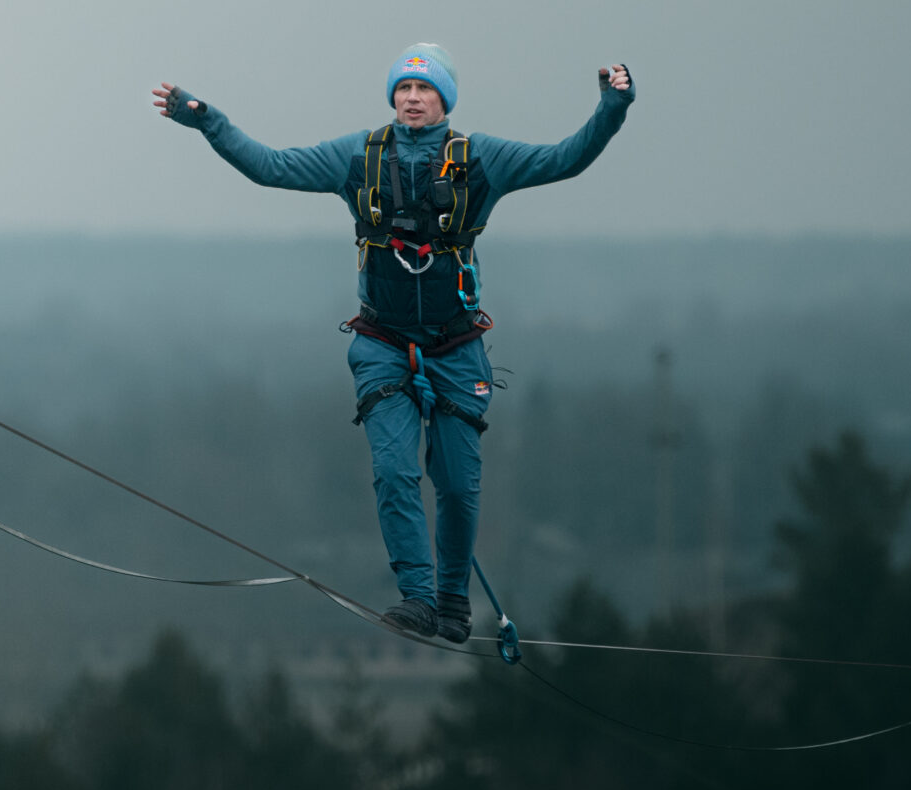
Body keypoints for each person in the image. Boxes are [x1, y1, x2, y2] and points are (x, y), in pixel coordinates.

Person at [152, 46, 634, 643]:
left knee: (457, 484)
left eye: (424, 89)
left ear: (444, 100)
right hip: (382, 344)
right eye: (403, 88)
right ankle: (418, 597)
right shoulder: (359, 156)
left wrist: (612, 106)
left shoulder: (480, 157)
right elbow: (270, 167)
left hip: (457, 347)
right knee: (394, 471)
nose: (412, 98)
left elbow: (566, 159)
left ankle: (453, 602)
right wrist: (207, 120)